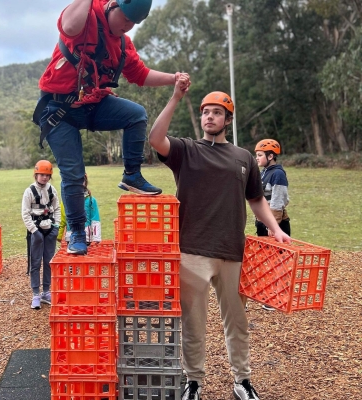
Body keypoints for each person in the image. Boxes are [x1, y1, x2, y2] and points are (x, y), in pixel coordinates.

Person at [148, 81, 291, 400]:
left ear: (228, 120)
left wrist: (276, 229)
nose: (210, 117)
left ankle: (242, 380)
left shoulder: (243, 158)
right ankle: (193, 381)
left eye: (217, 113)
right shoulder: (186, 150)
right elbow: (156, 139)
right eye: (206, 113)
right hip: (192, 252)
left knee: (237, 323)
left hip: (232, 252)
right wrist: (175, 97)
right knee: (193, 324)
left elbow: (256, 200)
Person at [33, 0, 189, 255]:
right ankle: (77, 234)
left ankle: (132, 175)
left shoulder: (123, 44)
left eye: (133, 23)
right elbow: (69, 27)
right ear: (113, 5)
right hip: (59, 110)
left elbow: (140, 74)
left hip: (92, 104)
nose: (127, 26)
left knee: (136, 115)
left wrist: (173, 78)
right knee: (73, 173)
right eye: (125, 18)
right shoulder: (87, 16)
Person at [254, 139, 291, 311]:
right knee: (265, 259)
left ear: (271, 156)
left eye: (260, 155)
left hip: (276, 224)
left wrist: (272, 225)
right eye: (256, 155)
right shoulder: (264, 172)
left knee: (278, 260)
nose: (257, 158)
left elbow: (279, 201)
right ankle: (266, 293)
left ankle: (277, 296)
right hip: (263, 222)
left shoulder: (278, 174)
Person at [22, 160, 61, 310]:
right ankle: (36, 294)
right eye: (42, 175)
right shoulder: (29, 192)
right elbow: (25, 213)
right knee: (35, 262)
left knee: (49, 261)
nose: (44, 178)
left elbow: (56, 208)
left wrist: (56, 227)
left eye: (47, 175)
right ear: (36, 174)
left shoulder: (52, 190)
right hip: (36, 231)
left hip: (49, 229)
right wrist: (34, 231)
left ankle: (46, 291)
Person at [58, 174, 102, 244]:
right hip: (70, 237)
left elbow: (95, 219)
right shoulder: (66, 200)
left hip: (86, 237)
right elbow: (62, 219)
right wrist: (59, 235)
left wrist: (96, 237)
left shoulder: (91, 200)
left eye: (81, 180)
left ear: (85, 182)